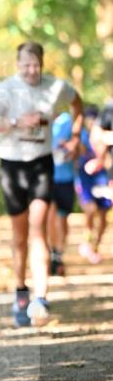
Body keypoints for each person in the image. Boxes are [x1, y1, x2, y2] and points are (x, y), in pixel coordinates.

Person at [0, 42, 83, 327]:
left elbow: (77, 104)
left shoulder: (55, 86)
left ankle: (42, 297)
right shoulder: (4, 90)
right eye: (25, 65)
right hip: (12, 166)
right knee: (19, 235)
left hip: (41, 164)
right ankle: (20, 290)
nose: (31, 70)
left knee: (38, 230)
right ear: (17, 64)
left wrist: (74, 137)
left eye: (35, 65)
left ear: (43, 64)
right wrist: (14, 122)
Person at [76, 105, 111, 264]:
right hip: (86, 179)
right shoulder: (82, 135)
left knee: (103, 214)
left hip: (103, 177)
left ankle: (95, 246)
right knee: (90, 210)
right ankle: (88, 243)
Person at [48, 111, 77, 276]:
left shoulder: (69, 121)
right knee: (50, 217)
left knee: (62, 219)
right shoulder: (39, 117)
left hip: (65, 178)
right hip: (46, 177)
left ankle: (59, 253)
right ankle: (52, 254)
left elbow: (81, 146)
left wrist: (72, 147)